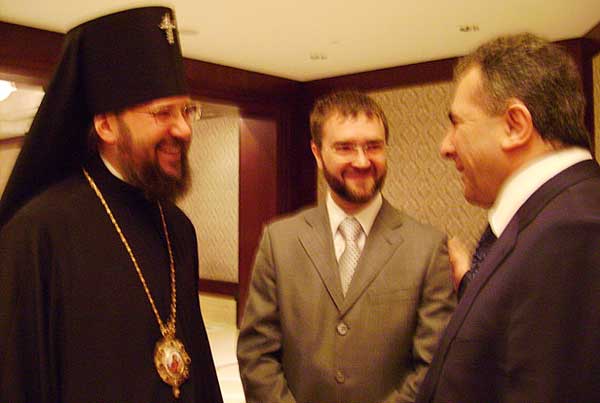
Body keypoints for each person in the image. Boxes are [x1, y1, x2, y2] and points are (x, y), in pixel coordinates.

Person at [0, 7, 223, 403]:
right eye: (162, 113)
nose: (184, 128)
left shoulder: (178, 227)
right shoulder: (37, 232)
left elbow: (196, 362)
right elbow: (19, 379)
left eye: (187, 110)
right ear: (105, 125)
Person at [237, 90, 456, 403]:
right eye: (345, 147)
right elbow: (256, 354)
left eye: (373, 146)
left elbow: (432, 366)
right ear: (317, 153)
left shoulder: (428, 248)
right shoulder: (279, 241)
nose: (362, 161)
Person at [415, 33, 600, 403]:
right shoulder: (547, 222)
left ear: (515, 125)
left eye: (457, 123)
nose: (445, 147)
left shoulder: (577, 233)